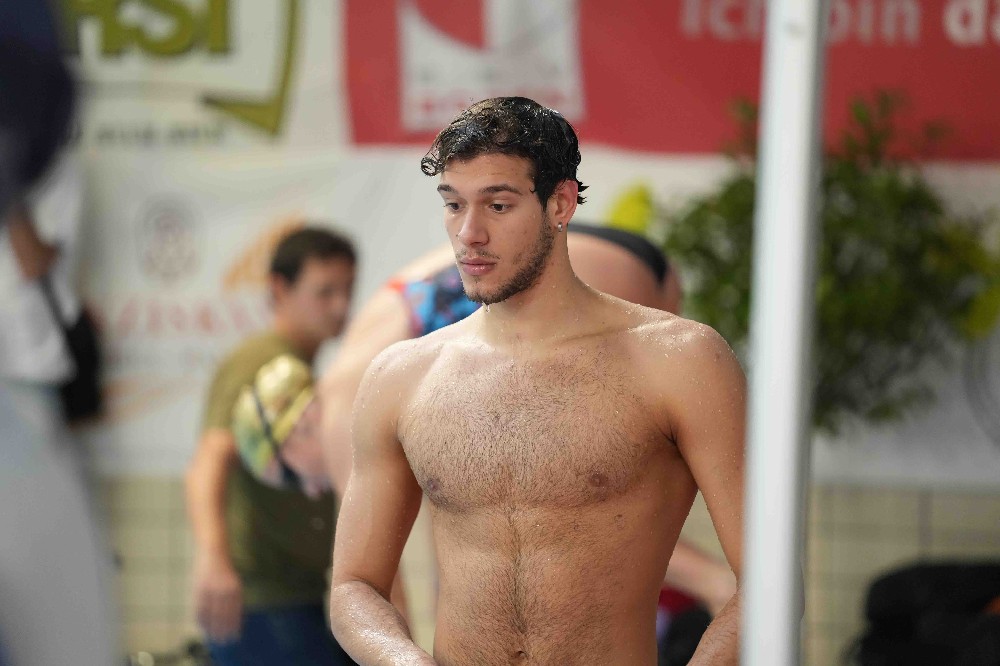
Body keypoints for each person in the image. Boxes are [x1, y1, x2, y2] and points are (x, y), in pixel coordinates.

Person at [328, 97, 745, 665]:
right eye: (453, 204)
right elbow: (354, 587)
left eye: (497, 205)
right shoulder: (401, 377)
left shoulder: (679, 361)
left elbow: (769, 581)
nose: (469, 233)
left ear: (560, 203)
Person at [185, 225, 357, 665]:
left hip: (295, 593)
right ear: (280, 289)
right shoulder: (260, 362)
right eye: (325, 291)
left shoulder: (299, 366)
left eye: (347, 289)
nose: (341, 305)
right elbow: (209, 461)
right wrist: (213, 561)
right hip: (262, 600)